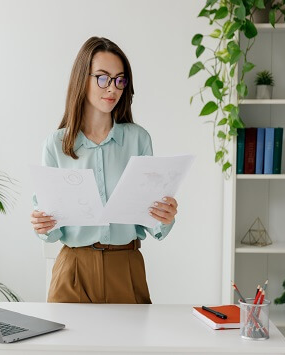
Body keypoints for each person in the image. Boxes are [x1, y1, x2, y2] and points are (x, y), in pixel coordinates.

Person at [30, 37, 178, 304]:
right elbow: (49, 232)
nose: (113, 88)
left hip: (126, 266)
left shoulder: (138, 139)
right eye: (102, 78)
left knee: (129, 346)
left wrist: (164, 217)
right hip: (73, 268)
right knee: (69, 347)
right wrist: (42, 224)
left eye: (120, 80)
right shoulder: (55, 144)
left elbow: (154, 223)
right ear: (81, 79)